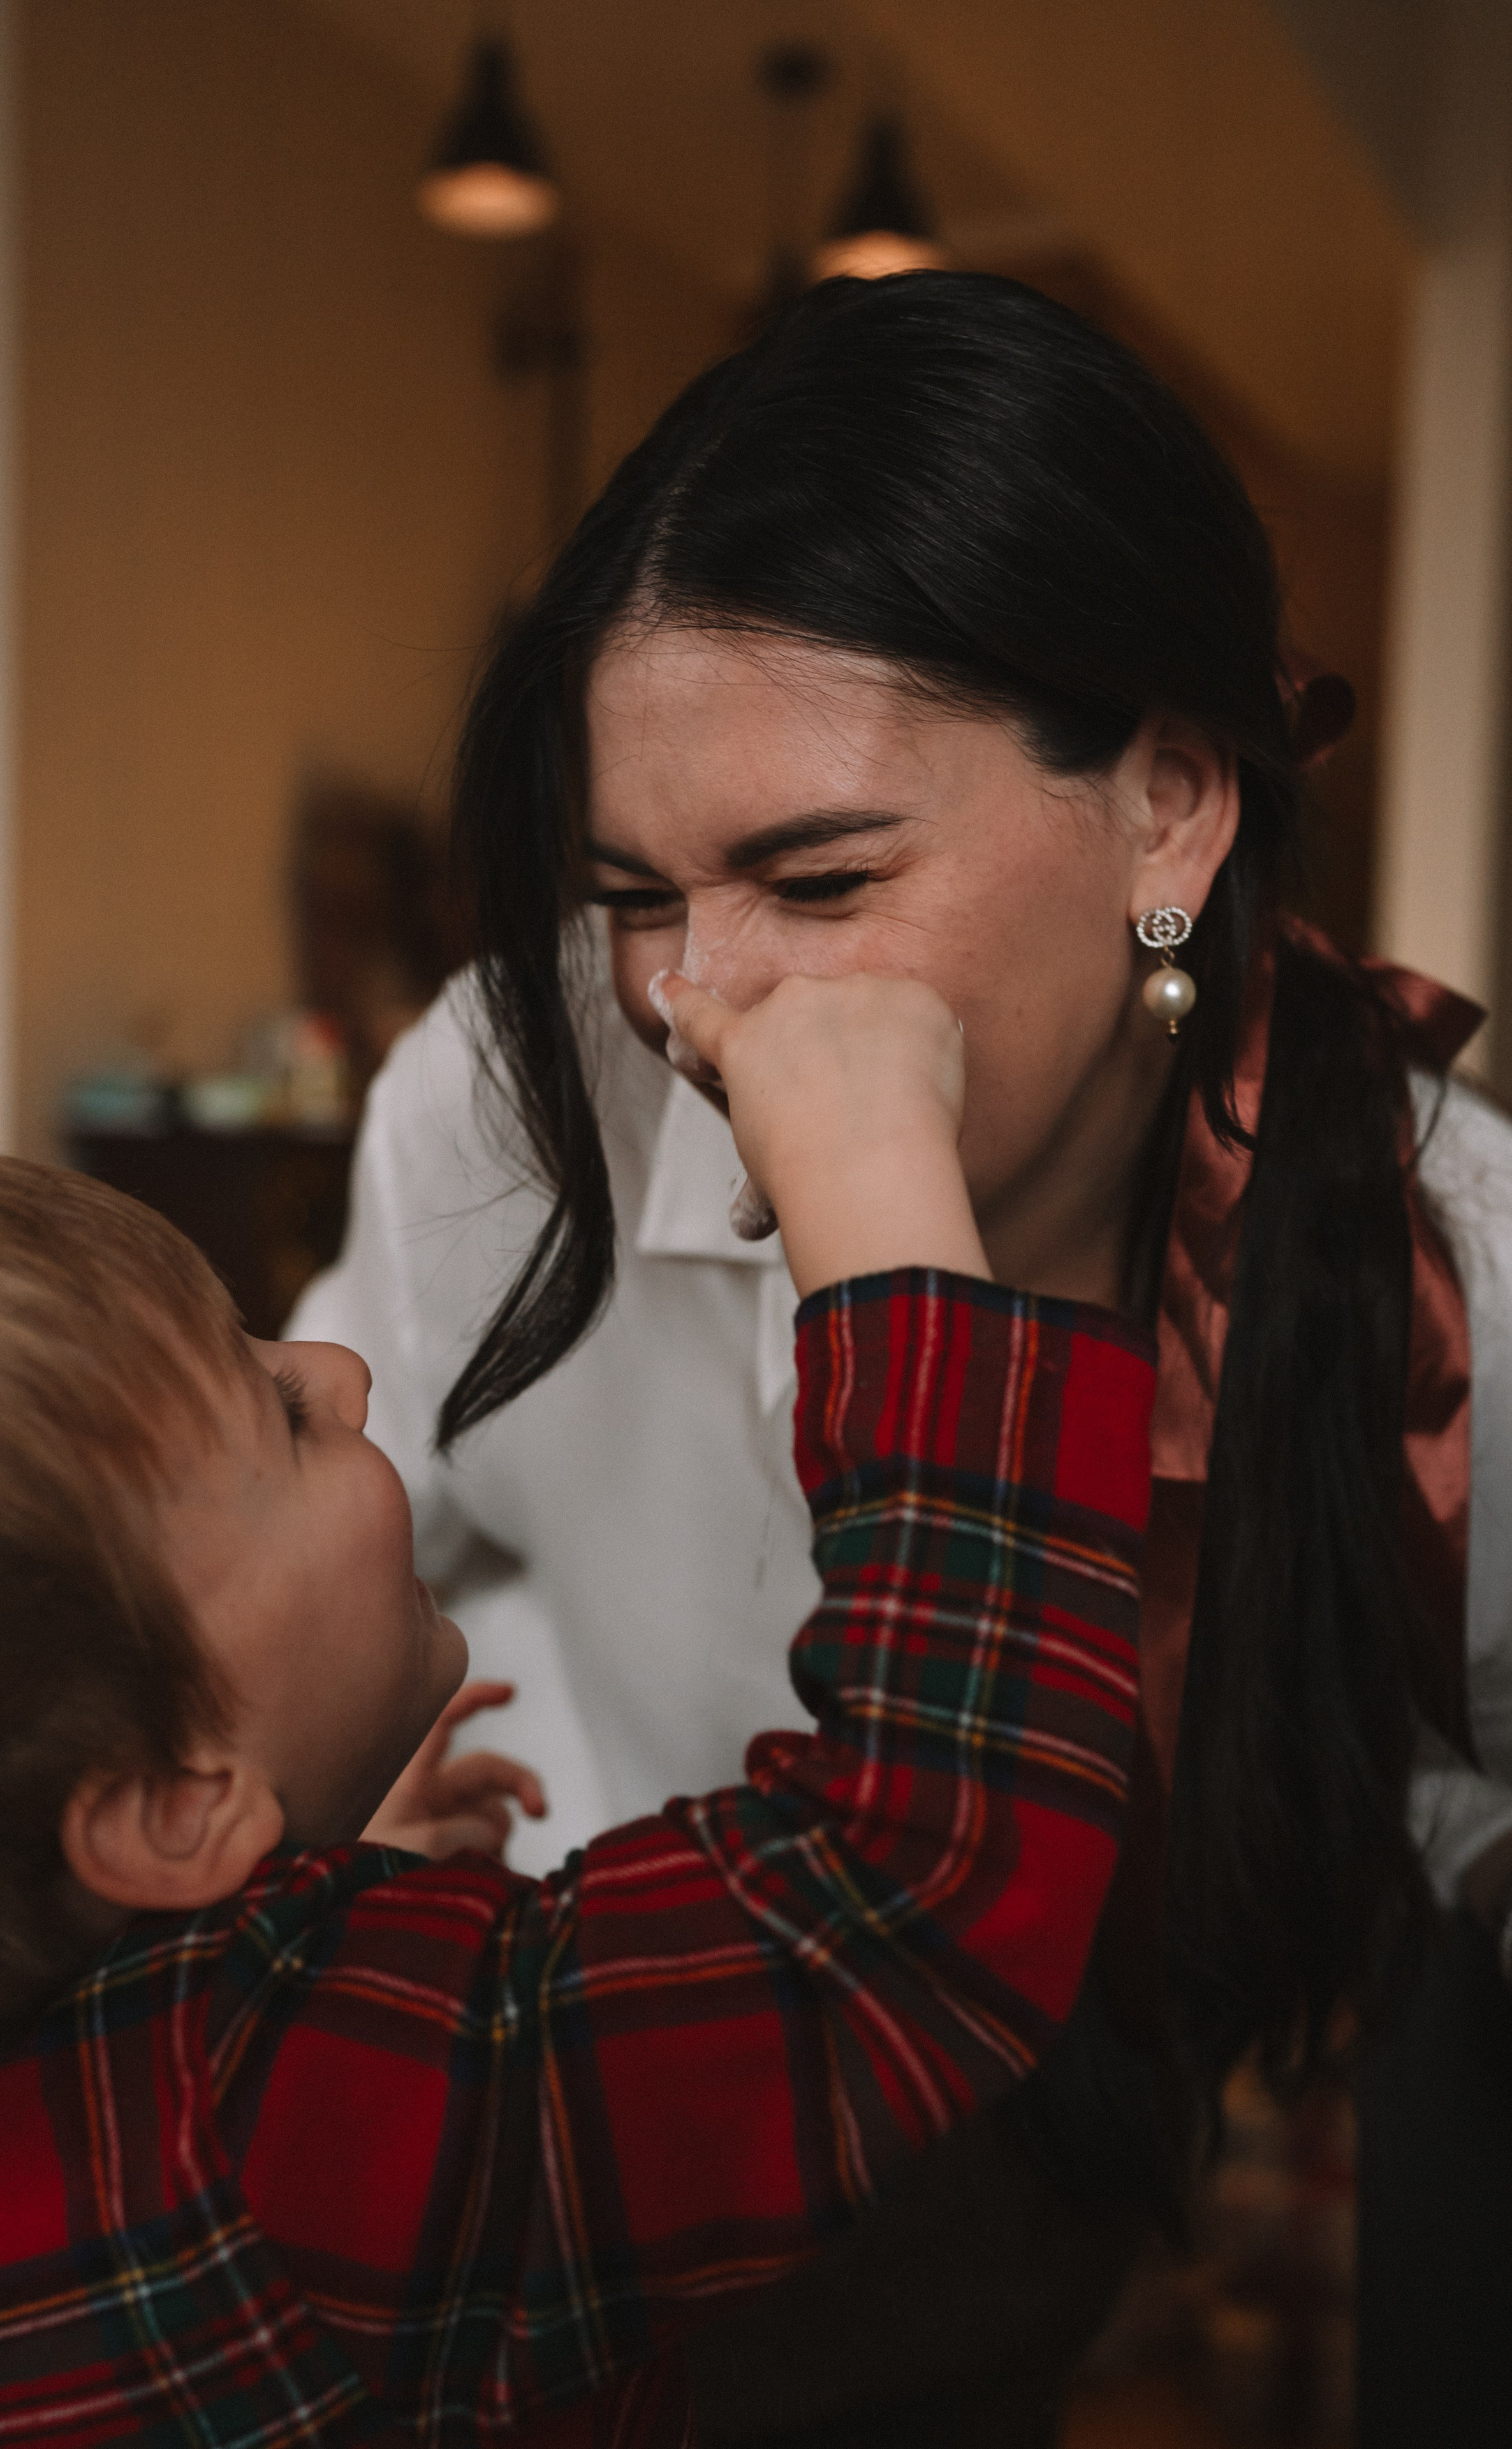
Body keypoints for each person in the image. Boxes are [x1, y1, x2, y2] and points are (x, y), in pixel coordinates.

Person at [294, 271, 1512, 2442]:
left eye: (823, 876)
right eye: (634, 892)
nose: (698, 1002)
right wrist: (318, 1804)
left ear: (1166, 804)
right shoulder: (511, 1088)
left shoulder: (1449, 1282)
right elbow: (315, 1531)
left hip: (999, 2267)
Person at [0, 962, 1154, 2448]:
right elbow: (908, 1888)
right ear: (172, 1810)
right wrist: (880, 1212)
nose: (345, 1374)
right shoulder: (286, 2136)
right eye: (280, 1421)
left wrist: (322, 1898)